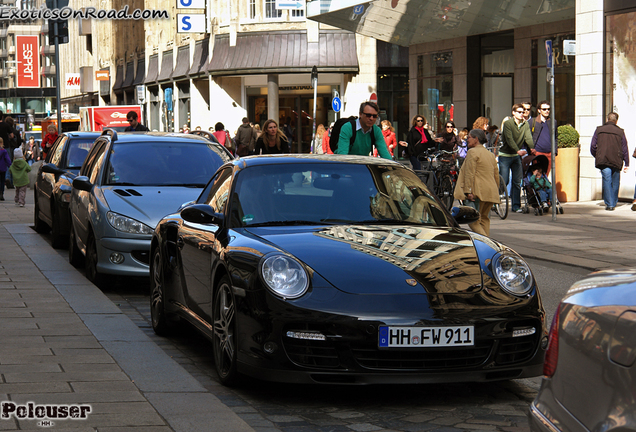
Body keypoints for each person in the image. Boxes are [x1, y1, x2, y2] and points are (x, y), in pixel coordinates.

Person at [453, 129, 500, 236]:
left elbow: (469, 173)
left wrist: (468, 191)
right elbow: (496, 175)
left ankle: (487, 242)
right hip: (490, 191)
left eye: (469, 137)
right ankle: (487, 244)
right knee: (484, 218)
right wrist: (496, 190)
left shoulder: (472, 152)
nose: (467, 139)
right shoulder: (490, 155)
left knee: (473, 220)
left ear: (476, 139)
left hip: (476, 192)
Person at [590, 112, 629, 211]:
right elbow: (624, 148)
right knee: (615, 182)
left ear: (607, 119)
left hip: (603, 160)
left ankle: (609, 204)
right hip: (616, 160)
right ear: (616, 121)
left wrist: (597, 155)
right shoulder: (620, 132)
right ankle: (613, 202)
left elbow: (593, 146)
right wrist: (627, 162)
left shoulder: (599, 130)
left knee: (607, 180)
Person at [500, 103, 534, 213]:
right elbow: (509, 139)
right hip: (505, 156)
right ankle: (494, 199)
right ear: (513, 113)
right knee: (504, 180)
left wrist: (532, 148)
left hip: (516, 157)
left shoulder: (525, 124)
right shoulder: (508, 124)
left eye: (523, 112)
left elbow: (528, 137)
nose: (521, 114)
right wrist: (517, 150)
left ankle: (515, 206)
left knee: (516, 182)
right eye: (519, 112)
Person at [530, 101, 557, 175]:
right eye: (544, 109)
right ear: (539, 110)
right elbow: (528, 137)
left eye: (548, 109)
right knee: (537, 175)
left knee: (546, 175)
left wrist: (554, 151)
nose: (547, 111)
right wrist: (531, 149)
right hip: (537, 153)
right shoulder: (533, 122)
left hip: (549, 153)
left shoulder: (553, 122)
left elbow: (555, 137)